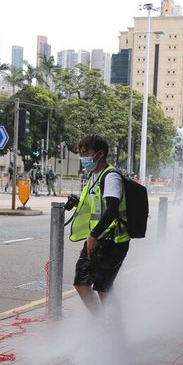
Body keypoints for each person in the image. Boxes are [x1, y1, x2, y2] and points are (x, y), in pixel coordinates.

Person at [70, 134, 130, 315]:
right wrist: (76, 201)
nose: (83, 157)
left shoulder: (111, 177)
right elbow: (93, 204)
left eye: (86, 152)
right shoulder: (93, 176)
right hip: (97, 239)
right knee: (81, 283)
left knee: (104, 289)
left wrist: (93, 234)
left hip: (113, 241)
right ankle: (101, 323)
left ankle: (116, 333)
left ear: (100, 153)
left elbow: (111, 209)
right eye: (81, 153)